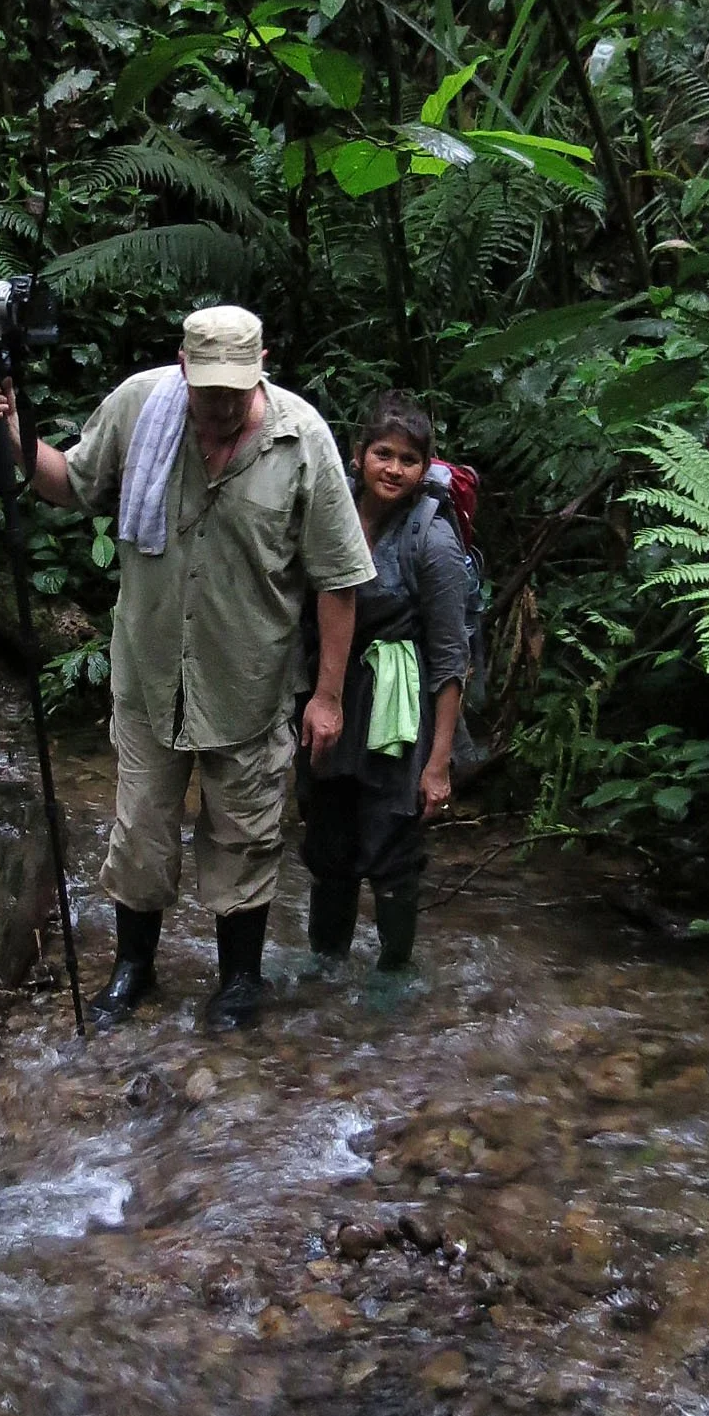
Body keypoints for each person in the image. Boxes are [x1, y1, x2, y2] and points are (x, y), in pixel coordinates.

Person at [0, 305, 374, 1031]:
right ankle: (135, 968)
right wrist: (11, 430)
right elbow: (68, 484)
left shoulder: (301, 437)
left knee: (245, 832)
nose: (218, 406)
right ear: (183, 367)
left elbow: (338, 580)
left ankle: (239, 981)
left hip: (250, 680)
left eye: (234, 391)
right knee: (141, 829)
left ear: (262, 366)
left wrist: (329, 696)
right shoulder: (140, 408)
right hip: (152, 672)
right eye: (205, 389)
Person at [296, 391, 471, 977]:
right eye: (383, 454)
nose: (394, 469)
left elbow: (451, 657)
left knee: (393, 848)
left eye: (409, 460)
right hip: (332, 697)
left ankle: (395, 979)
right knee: (329, 843)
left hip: (398, 712)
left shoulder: (432, 541)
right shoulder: (332, 513)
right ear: (357, 455)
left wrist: (439, 764)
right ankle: (325, 972)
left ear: (425, 469)